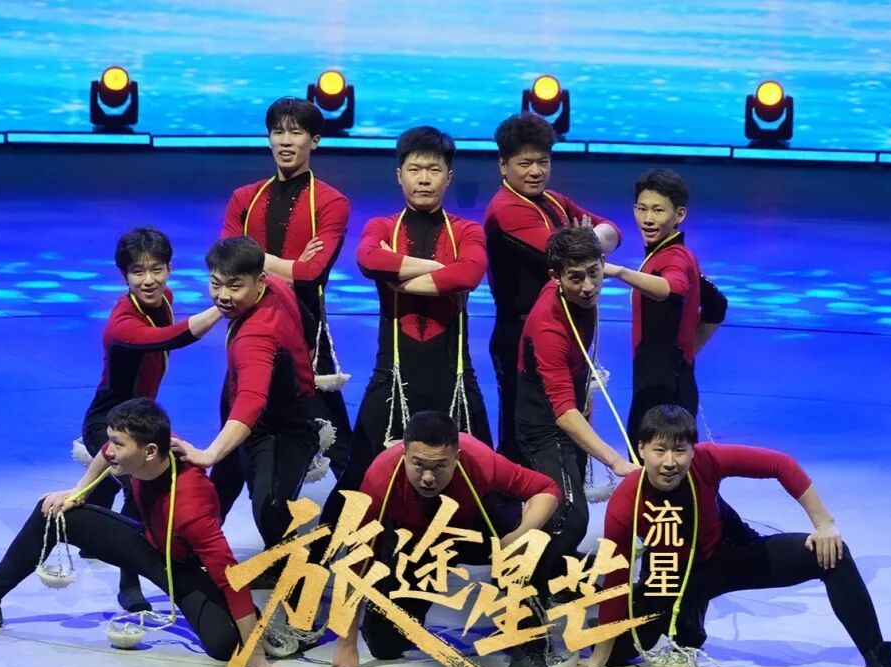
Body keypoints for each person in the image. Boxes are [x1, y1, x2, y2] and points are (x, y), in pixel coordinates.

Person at [576, 405, 891, 667]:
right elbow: (617, 577)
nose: (669, 462)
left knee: (833, 555)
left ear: (693, 450)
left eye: (679, 451)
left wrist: (824, 523)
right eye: (659, 450)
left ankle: (879, 666)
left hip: (733, 555)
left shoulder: (708, 460)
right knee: (619, 651)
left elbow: (781, 464)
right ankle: (686, 618)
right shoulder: (627, 500)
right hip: (675, 579)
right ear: (641, 449)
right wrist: (599, 657)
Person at [0, 398, 280, 667]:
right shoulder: (151, 449)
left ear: (149, 452)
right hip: (145, 544)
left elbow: (230, 577)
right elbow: (106, 458)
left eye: (118, 444)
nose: (109, 450)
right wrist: (78, 491)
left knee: (225, 646)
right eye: (110, 440)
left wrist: (254, 650)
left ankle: (254, 625)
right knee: (53, 510)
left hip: (181, 568)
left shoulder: (191, 507)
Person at [318, 126, 493, 537]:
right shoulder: (382, 227)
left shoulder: (466, 230)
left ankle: (506, 554)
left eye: (434, 170)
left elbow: (470, 273)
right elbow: (368, 258)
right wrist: (442, 272)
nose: (424, 179)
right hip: (393, 373)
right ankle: (317, 553)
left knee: (486, 472)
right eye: (415, 169)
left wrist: (402, 277)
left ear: (449, 177)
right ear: (400, 175)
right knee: (358, 472)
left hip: (453, 374)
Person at [330, 411, 563, 667]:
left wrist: (517, 536)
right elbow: (355, 561)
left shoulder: (480, 460)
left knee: (533, 540)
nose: (428, 477)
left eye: (440, 466)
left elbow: (546, 489)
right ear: (404, 454)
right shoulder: (380, 478)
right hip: (422, 545)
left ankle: (530, 649)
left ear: (457, 457)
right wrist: (346, 642)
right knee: (384, 645)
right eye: (418, 465)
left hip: (473, 530)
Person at [78, 226, 223, 612]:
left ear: (169, 269)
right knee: (138, 489)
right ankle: (129, 580)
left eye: (156, 270)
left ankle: (93, 527)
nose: (148, 280)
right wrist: (223, 307)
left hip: (142, 419)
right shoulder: (122, 323)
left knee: (112, 488)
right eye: (137, 272)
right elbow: (171, 338)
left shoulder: (165, 299)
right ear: (123, 275)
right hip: (108, 422)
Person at [219, 97, 352, 477]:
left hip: (306, 332)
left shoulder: (331, 202)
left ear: (315, 140)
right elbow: (228, 263)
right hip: (251, 329)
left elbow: (311, 274)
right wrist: (289, 265)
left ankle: (359, 511)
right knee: (232, 441)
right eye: (278, 132)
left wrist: (253, 258)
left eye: (296, 132)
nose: (285, 141)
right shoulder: (244, 199)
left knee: (339, 444)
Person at [484, 113, 622, 461]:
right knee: (525, 435)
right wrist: (587, 240)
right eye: (525, 163)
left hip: (567, 330)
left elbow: (613, 231)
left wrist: (587, 239)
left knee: (572, 426)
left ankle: (566, 490)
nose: (536, 171)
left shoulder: (554, 200)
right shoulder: (506, 210)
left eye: (543, 162)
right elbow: (571, 253)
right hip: (521, 336)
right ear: (503, 165)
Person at [173, 237, 320, 558]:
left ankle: (293, 572)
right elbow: (310, 325)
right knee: (221, 487)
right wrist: (299, 367)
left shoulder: (255, 338)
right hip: (246, 407)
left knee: (269, 507)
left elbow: (251, 402)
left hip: (279, 427)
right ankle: (191, 552)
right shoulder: (277, 287)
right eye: (216, 284)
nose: (223, 296)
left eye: (234, 286)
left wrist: (210, 453)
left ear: (259, 281)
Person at [516, 226, 638, 595]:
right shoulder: (549, 327)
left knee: (570, 509)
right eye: (576, 278)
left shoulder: (580, 290)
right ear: (555, 277)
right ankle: (522, 589)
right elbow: (563, 413)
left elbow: (609, 232)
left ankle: (556, 575)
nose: (588, 287)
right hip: (544, 425)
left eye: (594, 273)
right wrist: (616, 461)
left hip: (570, 411)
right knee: (569, 515)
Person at [599, 169, 727, 449]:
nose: (648, 218)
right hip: (664, 380)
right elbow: (717, 305)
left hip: (663, 392)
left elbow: (673, 287)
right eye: (642, 208)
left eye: (658, 210)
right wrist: (687, 350)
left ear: (679, 214)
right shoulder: (673, 253)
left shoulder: (674, 258)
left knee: (652, 464)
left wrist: (619, 272)